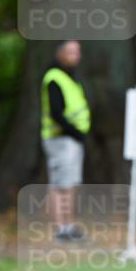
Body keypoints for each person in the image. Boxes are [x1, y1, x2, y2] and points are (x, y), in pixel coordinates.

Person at [40, 40, 91, 241]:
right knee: (61, 185)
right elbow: (56, 113)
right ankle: (62, 229)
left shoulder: (70, 78)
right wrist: (75, 132)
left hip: (70, 140)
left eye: (77, 52)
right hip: (60, 139)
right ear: (59, 53)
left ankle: (68, 227)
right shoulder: (54, 78)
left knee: (68, 184)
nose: (75, 56)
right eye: (71, 52)